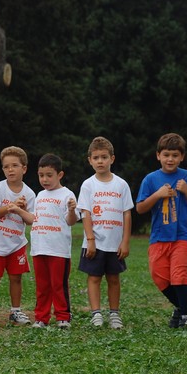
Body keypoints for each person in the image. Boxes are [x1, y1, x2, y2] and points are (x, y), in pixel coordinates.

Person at [136, 134, 187, 328]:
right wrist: (158, 194)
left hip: (182, 235)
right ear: (158, 156)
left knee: (179, 275)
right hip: (159, 237)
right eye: (166, 155)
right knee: (159, 276)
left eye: (174, 155)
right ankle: (180, 308)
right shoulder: (151, 179)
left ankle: (185, 316)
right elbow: (140, 208)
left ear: (182, 157)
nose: (170, 159)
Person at [78, 136, 133, 329]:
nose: (100, 161)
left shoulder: (121, 184)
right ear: (90, 160)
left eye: (104, 157)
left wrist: (125, 241)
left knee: (113, 278)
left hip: (114, 243)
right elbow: (85, 213)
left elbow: (127, 214)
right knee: (93, 278)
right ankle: (96, 314)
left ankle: (114, 314)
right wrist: (90, 240)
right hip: (94, 243)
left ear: (112, 158)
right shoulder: (88, 185)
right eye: (96, 157)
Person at [0, 146, 36, 325]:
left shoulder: (30, 193)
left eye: (15, 166)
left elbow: (31, 220)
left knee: (16, 278)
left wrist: (21, 210)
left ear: (24, 168)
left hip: (16, 244)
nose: (10, 170)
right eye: (6, 166)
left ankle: (15, 311)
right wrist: (11, 205)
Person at [30, 153, 79, 329]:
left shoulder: (67, 194)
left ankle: (63, 317)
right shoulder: (39, 195)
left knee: (58, 285)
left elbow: (71, 221)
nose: (45, 179)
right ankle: (41, 318)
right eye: (41, 175)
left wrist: (72, 210)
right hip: (39, 248)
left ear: (60, 175)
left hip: (58, 250)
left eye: (49, 175)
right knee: (42, 286)